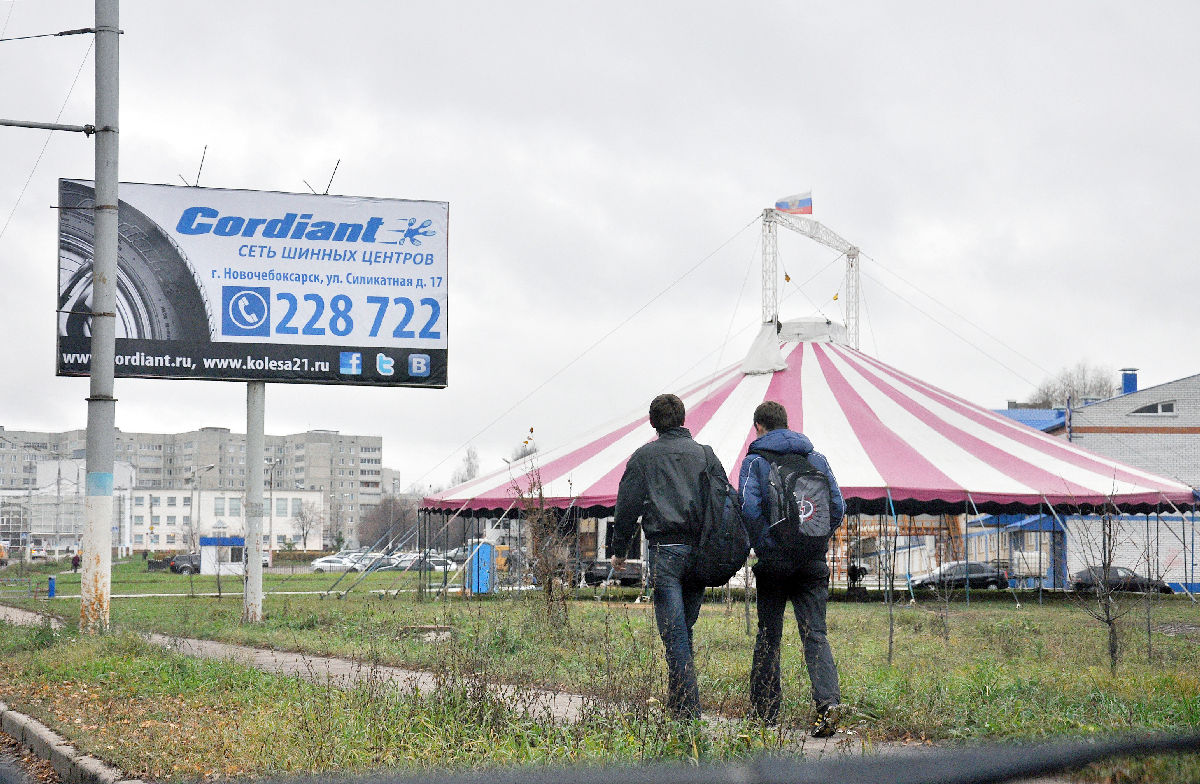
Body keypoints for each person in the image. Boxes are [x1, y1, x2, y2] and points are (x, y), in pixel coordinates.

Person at [609, 393, 721, 721]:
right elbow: (723, 503)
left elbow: (626, 506)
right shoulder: (706, 455)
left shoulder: (644, 458)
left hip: (665, 552)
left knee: (674, 634)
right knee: (683, 631)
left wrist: (619, 550)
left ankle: (688, 715)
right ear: (683, 418)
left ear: (652, 422)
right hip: (700, 553)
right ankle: (678, 708)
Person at [738, 400, 846, 736]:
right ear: (786, 423)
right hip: (813, 561)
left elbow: (748, 509)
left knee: (769, 636)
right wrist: (815, 541)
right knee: (815, 634)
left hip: (774, 564)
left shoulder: (755, 461)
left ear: (759, 427)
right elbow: (838, 507)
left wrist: (769, 547)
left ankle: (765, 714)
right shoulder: (816, 459)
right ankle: (828, 705)